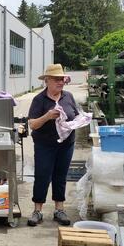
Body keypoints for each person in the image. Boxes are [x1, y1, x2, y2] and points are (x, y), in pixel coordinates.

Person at [27, 63, 78, 227]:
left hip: (66, 144)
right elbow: (32, 124)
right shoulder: (39, 99)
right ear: (47, 80)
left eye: (62, 79)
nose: (61, 82)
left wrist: (78, 121)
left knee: (60, 176)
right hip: (45, 145)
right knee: (42, 176)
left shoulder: (68, 96)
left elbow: (76, 115)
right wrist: (47, 116)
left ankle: (59, 210)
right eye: (56, 79)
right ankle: (37, 211)